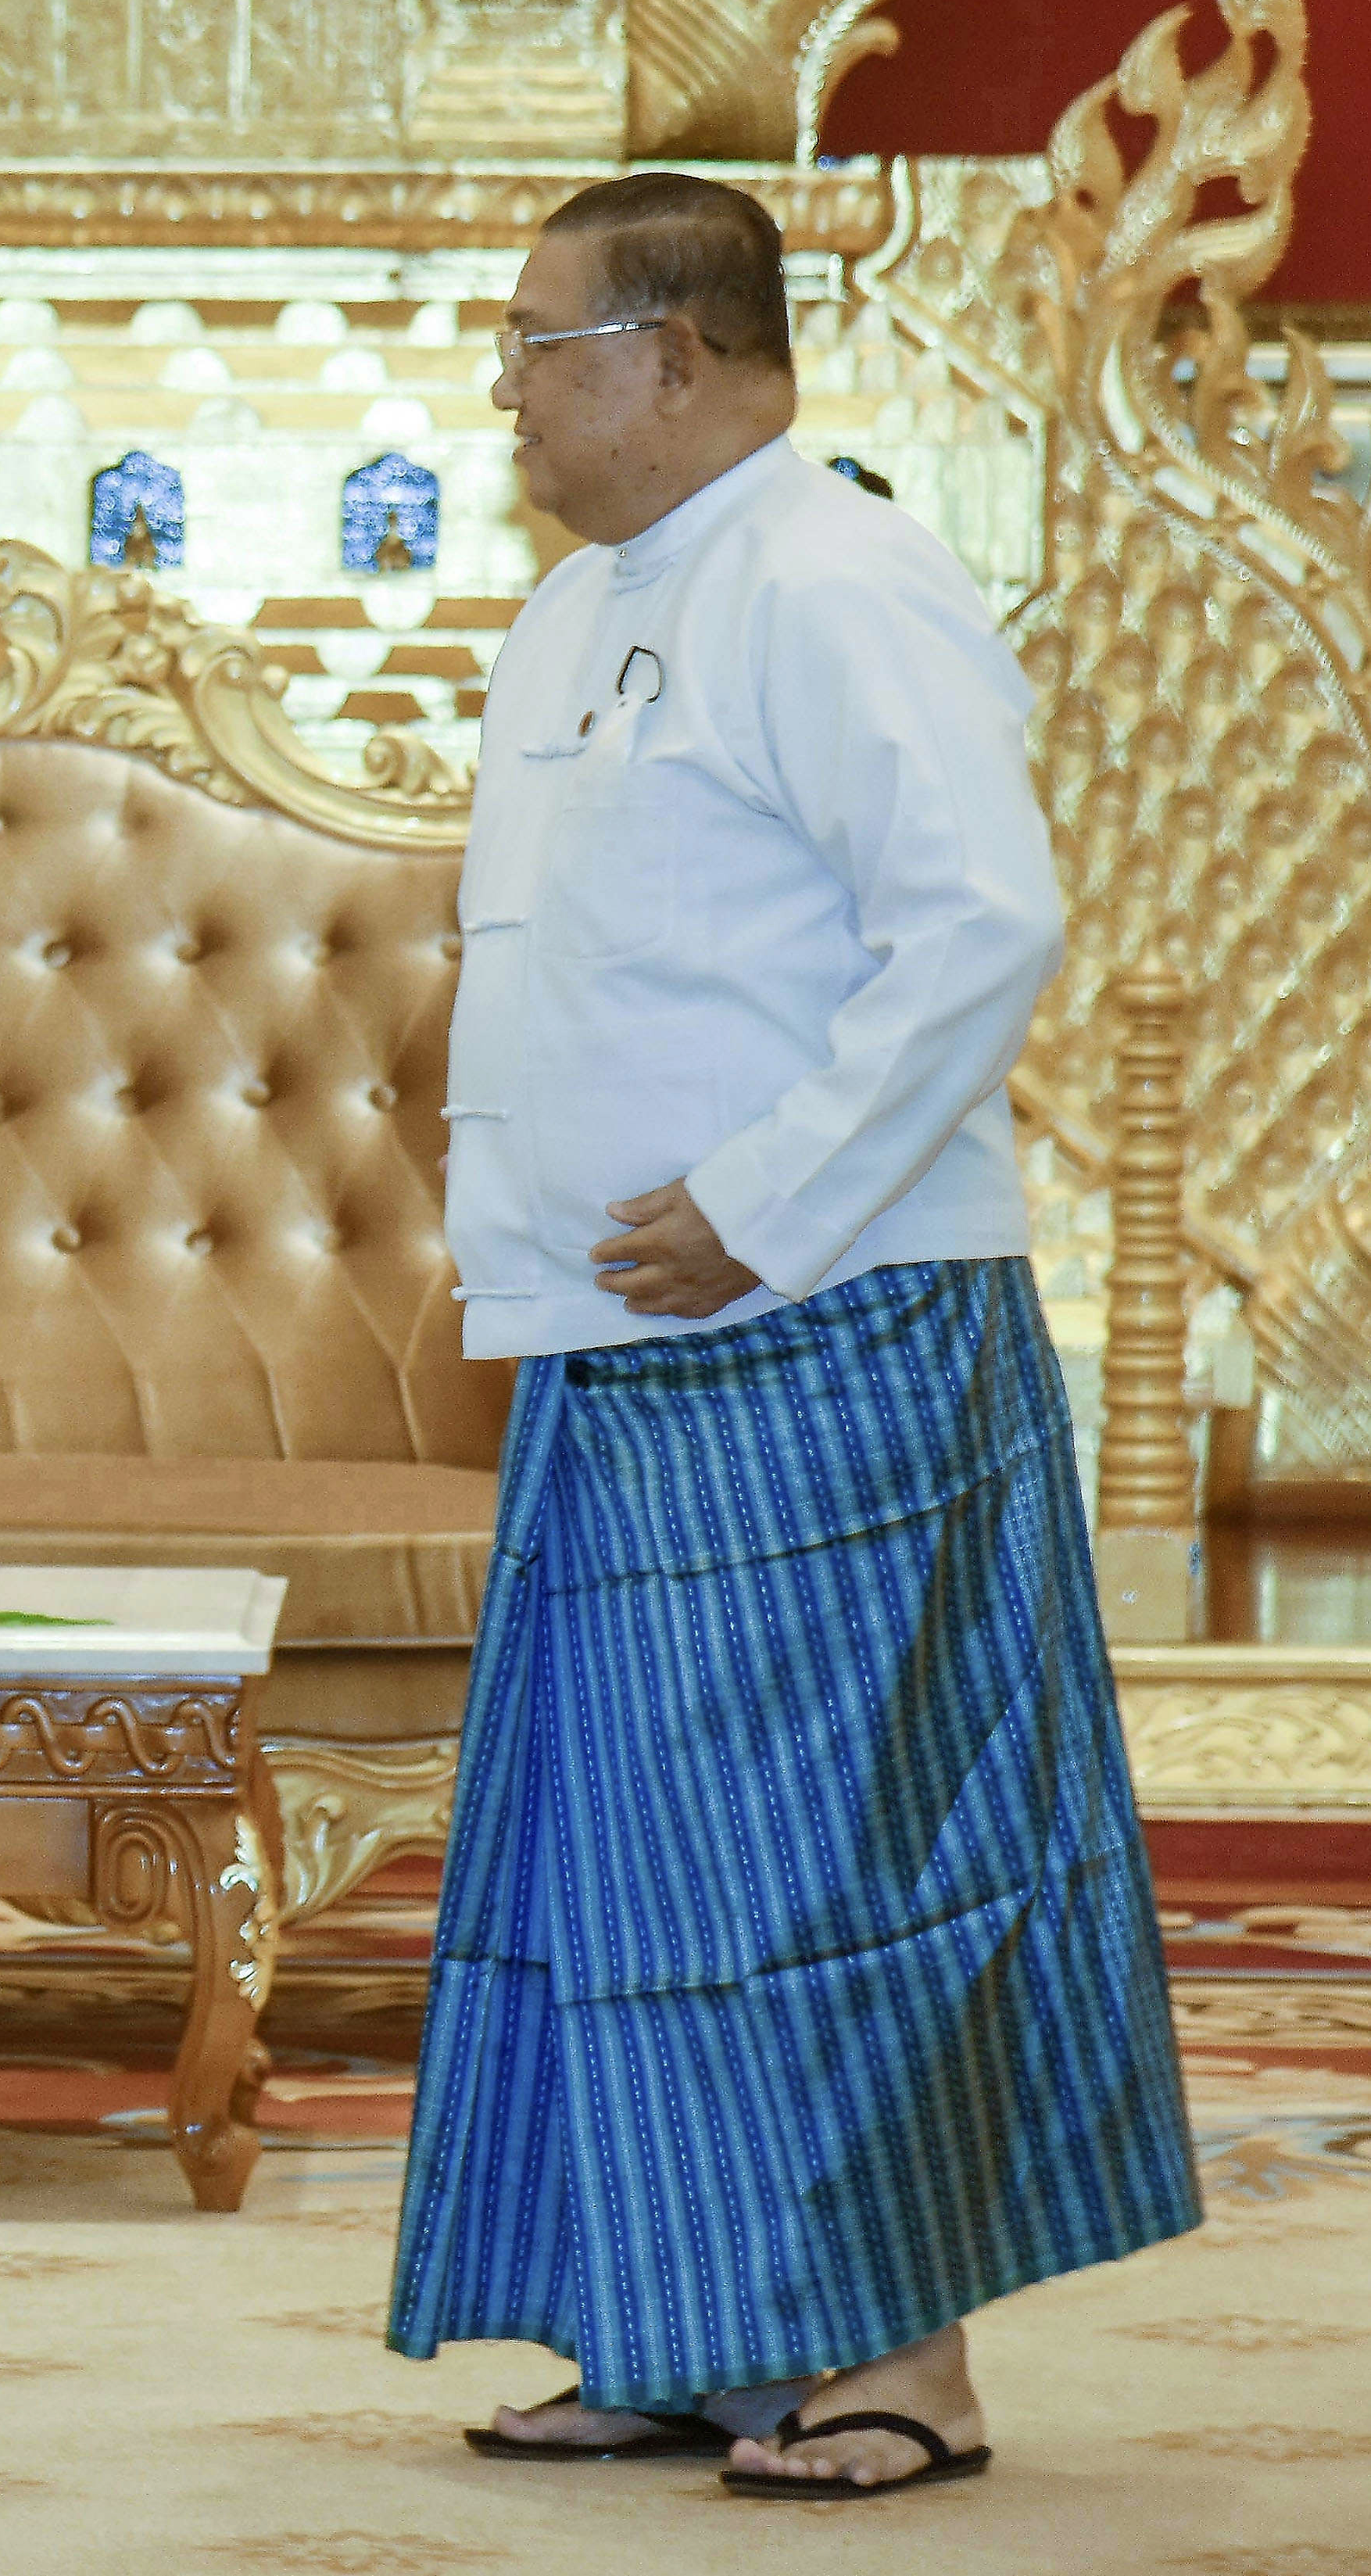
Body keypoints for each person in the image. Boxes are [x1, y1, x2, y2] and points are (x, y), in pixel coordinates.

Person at [390, 171, 1201, 2495]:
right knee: (620, 1850)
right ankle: (673, 2317)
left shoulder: (843, 577)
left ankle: (893, 2353)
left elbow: (978, 925)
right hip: (613, 1341)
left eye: (538, 345)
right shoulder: (572, 606)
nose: (511, 391)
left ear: (670, 355)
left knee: (840, 1856)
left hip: (826, 1317)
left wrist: (757, 1205)